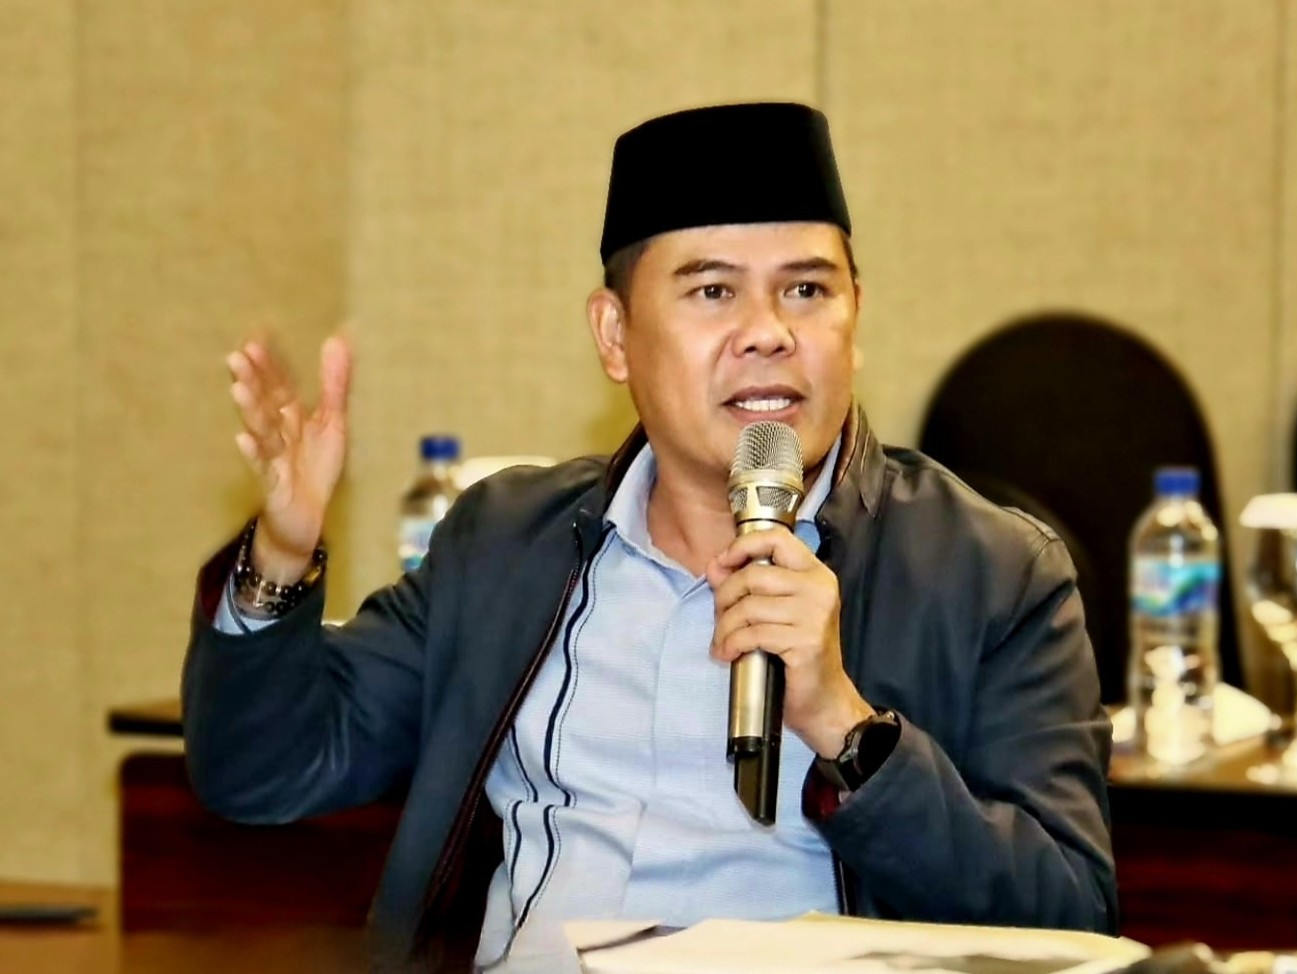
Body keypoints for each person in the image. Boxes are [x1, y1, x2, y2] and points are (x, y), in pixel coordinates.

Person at [183, 102, 1118, 974]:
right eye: (712, 291)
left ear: (854, 319)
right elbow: (264, 773)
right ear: (614, 335)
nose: (767, 333)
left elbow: (1068, 916)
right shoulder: (505, 546)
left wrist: (845, 727)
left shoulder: (992, 574)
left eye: (805, 289)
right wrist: (281, 552)